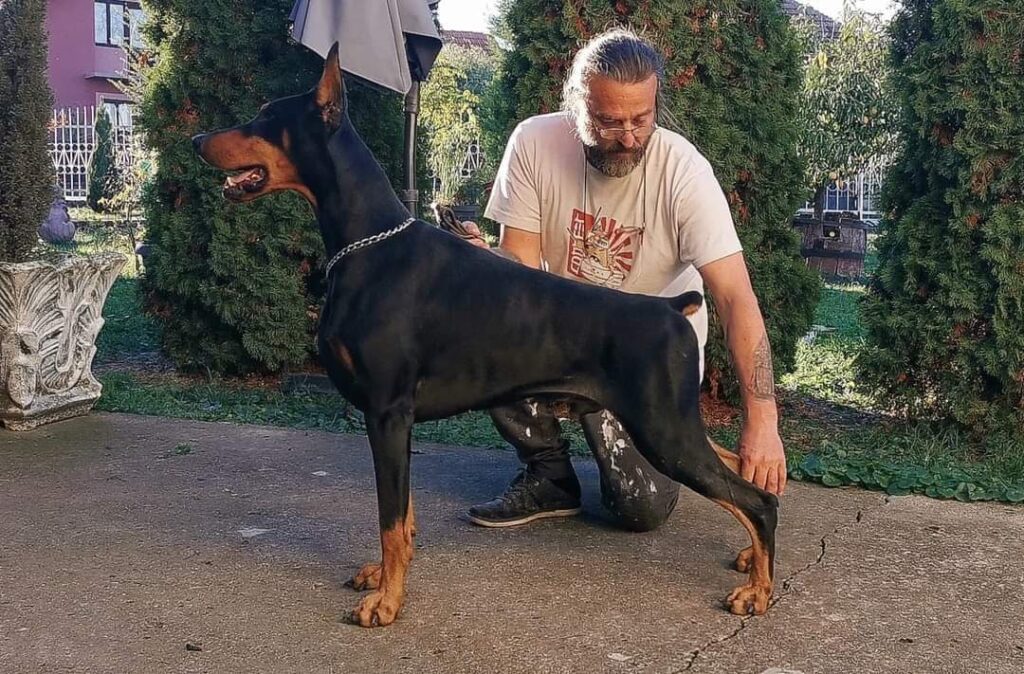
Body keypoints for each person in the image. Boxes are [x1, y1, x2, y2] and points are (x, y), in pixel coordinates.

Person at [460, 27, 785, 532]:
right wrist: (487, 269)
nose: (629, 138)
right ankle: (547, 475)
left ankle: (634, 430)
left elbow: (735, 297)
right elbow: (519, 270)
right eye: (609, 121)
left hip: (648, 356)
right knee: (486, 321)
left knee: (640, 510)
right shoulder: (533, 142)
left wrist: (763, 419)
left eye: (642, 119)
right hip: (562, 341)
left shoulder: (684, 173)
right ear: (576, 106)